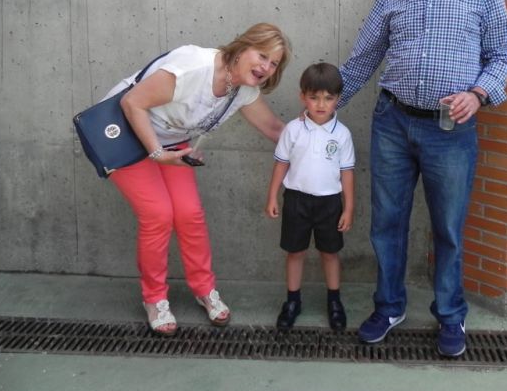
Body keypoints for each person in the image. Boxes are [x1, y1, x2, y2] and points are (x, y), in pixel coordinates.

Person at [338, 0, 507, 357]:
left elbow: (502, 55)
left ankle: (451, 315)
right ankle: (389, 307)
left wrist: (478, 94)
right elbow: (363, 58)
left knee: (448, 228)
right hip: (392, 123)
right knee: (387, 222)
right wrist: (324, 106)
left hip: (449, 129)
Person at [105, 23, 291, 336]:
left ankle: (204, 289)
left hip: (169, 143)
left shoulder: (243, 89)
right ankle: (154, 299)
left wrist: (316, 141)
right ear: (243, 47)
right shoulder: (195, 67)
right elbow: (131, 103)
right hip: (123, 136)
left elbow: (274, 129)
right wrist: (156, 153)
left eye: (274, 63)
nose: (266, 67)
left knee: (189, 214)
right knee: (158, 215)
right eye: (262, 55)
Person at [265, 62, 355, 331]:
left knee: (330, 253)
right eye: (314, 97)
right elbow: (281, 164)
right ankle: (293, 301)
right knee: (295, 252)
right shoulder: (293, 130)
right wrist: (272, 196)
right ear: (302, 96)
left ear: (337, 99)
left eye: (328, 98)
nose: (321, 104)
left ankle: (334, 301)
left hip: (330, 203)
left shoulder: (342, 134)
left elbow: (347, 173)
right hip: (296, 200)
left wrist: (348, 208)